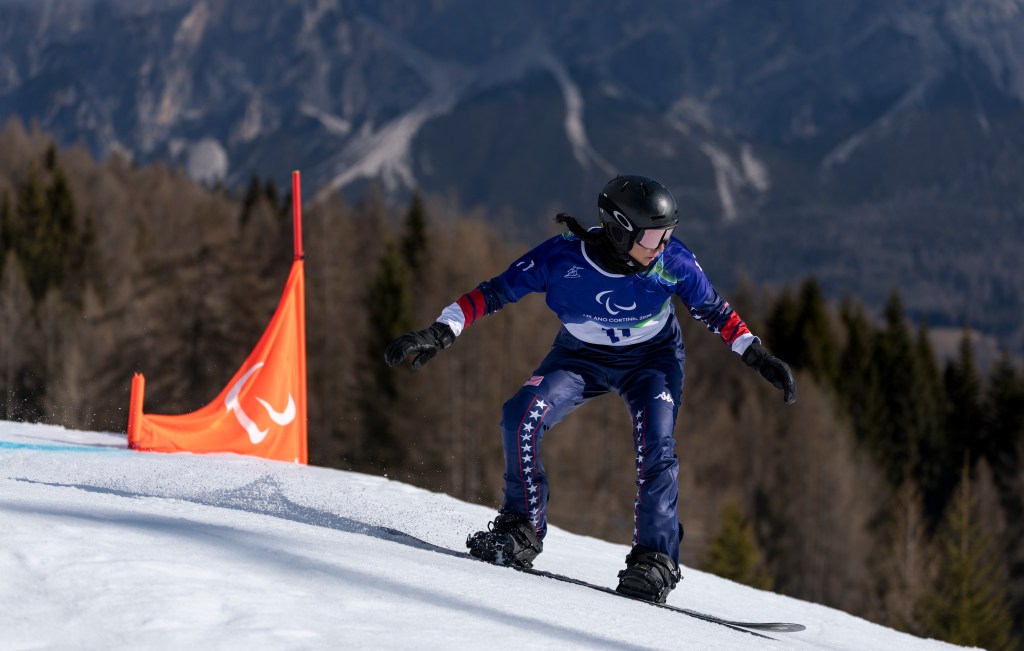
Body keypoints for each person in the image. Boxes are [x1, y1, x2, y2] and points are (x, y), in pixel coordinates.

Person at [384, 175, 796, 603]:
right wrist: (442, 331)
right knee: (519, 416)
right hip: (579, 358)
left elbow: (715, 311)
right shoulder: (561, 259)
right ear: (619, 231)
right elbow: (495, 292)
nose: (662, 245)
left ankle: (655, 560)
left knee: (656, 444)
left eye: (668, 234)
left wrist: (757, 355)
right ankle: (521, 528)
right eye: (653, 236)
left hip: (652, 362)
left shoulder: (673, 263)